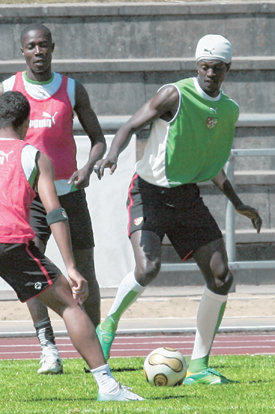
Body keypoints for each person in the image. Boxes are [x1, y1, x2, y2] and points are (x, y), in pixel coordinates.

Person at [94, 34, 262, 385]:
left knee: (222, 276)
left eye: (217, 68)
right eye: (204, 67)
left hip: (186, 197)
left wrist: (238, 202)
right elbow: (129, 125)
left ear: (227, 70)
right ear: (196, 65)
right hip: (149, 193)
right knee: (149, 267)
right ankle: (108, 324)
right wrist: (112, 154)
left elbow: (211, 163)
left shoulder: (228, 110)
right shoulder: (175, 94)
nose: (210, 73)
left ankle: (199, 367)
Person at [0, 90, 143, 401]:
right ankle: (108, 386)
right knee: (68, 305)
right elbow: (54, 211)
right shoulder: (34, 156)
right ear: (26, 123)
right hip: (10, 242)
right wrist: (72, 267)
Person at [0, 23, 105, 374]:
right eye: (32, 46)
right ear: (23, 51)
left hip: (69, 194)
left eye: (44, 45)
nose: (38, 52)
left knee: (84, 268)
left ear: (53, 47)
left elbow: (98, 139)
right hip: (28, 199)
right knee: (32, 270)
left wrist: (89, 167)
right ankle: (48, 347)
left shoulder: (72, 89)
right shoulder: (8, 89)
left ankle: (96, 347)